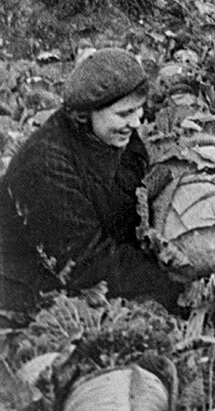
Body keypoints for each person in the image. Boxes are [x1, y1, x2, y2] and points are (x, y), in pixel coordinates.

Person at [0, 48, 182, 322]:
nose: (136, 121)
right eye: (124, 113)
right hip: (31, 288)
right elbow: (85, 266)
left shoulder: (117, 137)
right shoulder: (44, 165)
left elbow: (135, 205)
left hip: (106, 260)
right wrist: (177, 278)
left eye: (139, 109)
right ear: (86, 114)